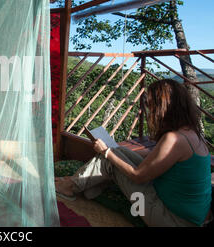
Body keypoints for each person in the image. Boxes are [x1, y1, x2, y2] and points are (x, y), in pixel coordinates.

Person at [55, 79, 212, 227]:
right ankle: (83, 186)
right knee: (119, 151)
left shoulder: (174, 139)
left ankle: (70, 186)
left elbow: (138, 176)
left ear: (163, 107)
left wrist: (106, 152)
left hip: (171, 220)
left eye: (151, 105)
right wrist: (117, 152)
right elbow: (157, 158)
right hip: (188, 217)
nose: (149, 111)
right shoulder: (191, 134)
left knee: (110, 158)